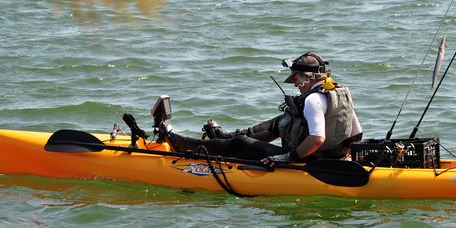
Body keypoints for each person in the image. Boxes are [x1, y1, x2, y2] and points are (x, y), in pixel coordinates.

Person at [155, 52, 362, 164]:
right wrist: (340, 156)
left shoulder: (313, 101)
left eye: (297, 79)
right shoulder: (339, 93)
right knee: (282, 121)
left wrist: (288, 158)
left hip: (309, 159)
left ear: (308, 78)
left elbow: (317, 139)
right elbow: (356, 132)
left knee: (241, 144)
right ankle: (224, 137)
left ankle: (183, 144)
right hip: (331, 157)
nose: (296, 85)